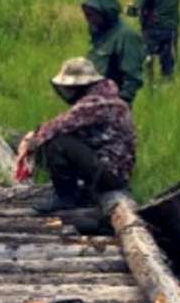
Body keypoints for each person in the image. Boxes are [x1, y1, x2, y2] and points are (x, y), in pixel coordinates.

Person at [14, 57, 136, 213]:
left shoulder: (97, 103)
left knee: (57, 143)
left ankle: (66, 197)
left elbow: (57, 126)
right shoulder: (104, 99)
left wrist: (29, 143)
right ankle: (75, 191)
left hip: (110, 173)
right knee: (62, 139)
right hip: (113, 171)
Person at [82, 0, 144, 104]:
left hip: (112, 103)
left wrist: (121, 102)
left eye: (91, 15)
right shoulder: (99, 34)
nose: (88, 20)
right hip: (92, 99)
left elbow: (133, 76)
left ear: (105, 13)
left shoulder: (126, 36)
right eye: (86, 15)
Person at [128, 0, 180, 80]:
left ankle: (149, 86)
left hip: (153, 28)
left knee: (148, 59)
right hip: (172, 28)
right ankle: (168, 87)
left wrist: (129, 9)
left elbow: (137, 10)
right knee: (168, 62)